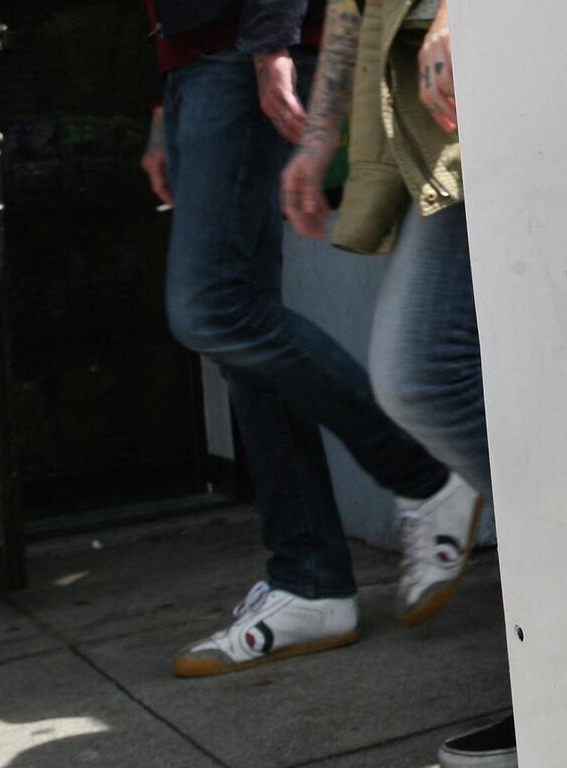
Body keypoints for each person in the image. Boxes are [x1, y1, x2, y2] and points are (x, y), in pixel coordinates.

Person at [138, 0, 488, 680]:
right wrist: (163, 97)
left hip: (240, 47)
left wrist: (271, 44)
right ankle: (312, 582)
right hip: (199, 57)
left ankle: (423, 474)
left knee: (213, 309)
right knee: (239, 334)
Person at [277, 1, 515, 765]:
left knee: (427, 371)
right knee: (426, 374)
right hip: (441, 117)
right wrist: (321, 139)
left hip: (511, 72)